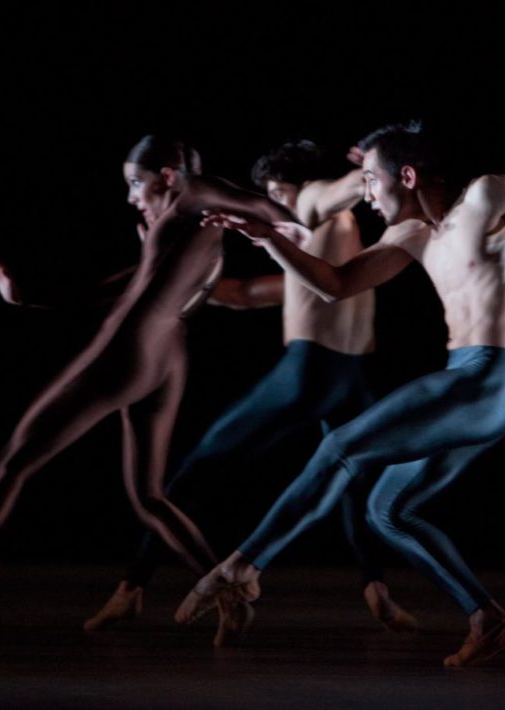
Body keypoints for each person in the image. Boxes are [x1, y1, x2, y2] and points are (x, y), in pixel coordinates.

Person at [175, 121, 505, 667]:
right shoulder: (412, 235)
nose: (366, 192)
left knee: (338, 448)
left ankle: (243, 569)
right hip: (466, 389)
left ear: (410, 175)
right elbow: (334, 284)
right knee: (385, 509)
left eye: (371, 179)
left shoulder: (488, 196)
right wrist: (271, 240)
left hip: (486, 381)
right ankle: (488, 618)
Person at [0, 135, 291, 631]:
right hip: (169, 359)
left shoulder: (193, 196)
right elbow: (132, 281)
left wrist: (285, 224)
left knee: (16, 460)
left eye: (136, 183)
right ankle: (224, 588)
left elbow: (251, 201)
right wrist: (28, 297)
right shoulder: (191, 229)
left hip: (129, 351)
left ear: (168, 174)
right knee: (148, 497)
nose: (130, 196)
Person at [83, 141, 416, 641]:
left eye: (275, 193)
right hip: (352, 381)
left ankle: (132, 588)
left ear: (294, 189)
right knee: (351, 485)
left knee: (198, 467)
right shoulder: (328, 251)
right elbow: (243, 294)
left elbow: (336, 193)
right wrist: (172, 270)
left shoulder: (310, 203)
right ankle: (377, 590)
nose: (272, 204)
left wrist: (369, 161)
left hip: (308, 375)